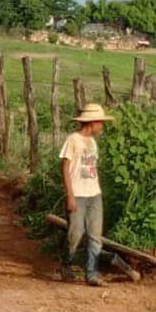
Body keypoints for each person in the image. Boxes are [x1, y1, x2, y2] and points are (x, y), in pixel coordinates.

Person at [59, 103, 114, 287]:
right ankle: (67, 264)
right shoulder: (73, 140)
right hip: (78, 195)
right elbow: (65, 169)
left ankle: (92, 273)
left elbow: (92, 170)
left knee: (95, 236)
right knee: (75, 233)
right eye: (101, 123)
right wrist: (70, 196)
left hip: (94, 194)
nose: (102, 127)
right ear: (92, 122)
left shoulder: (93, 143)